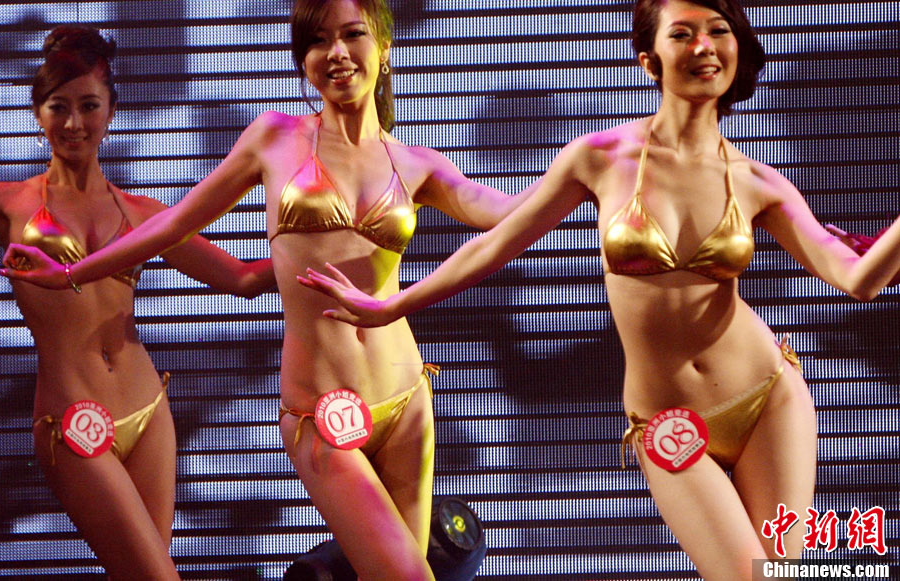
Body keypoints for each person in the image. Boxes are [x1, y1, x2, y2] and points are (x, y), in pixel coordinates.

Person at [294, 0, 900, 577]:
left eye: (718, 31)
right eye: (683, 33)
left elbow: (860, 279)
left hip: (768, 396)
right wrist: (391, 305)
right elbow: (494, 244)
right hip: (666, 416)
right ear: (650, 59)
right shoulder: (601, 158)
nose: (704, 46)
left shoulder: (760, 182)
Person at [0, 1, 535, 578]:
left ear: (382, 46)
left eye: (352, 35)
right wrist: (71, 273)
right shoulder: (275, 138)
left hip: (406, 396)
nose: (336, 53)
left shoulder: (417, 163)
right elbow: (175, 223)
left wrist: (586, 171)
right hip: (319, 409)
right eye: (317, 41)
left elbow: (511, 214)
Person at [0, 25, 276, 579]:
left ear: (111, 111)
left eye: (89, 106)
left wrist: (328, 255)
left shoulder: (143, 214)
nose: (73, 123)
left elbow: (241, 279)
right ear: (38, 114)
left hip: (148, 411)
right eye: (58, 107)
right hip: (73, 416)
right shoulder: (5, 203)